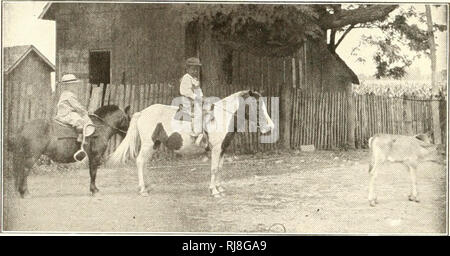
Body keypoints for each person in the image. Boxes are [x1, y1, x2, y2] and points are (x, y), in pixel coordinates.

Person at [54, 74, 95, 142]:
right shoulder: (69, 95)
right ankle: (80, 137)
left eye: (74, 84)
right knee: (79, 120)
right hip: (65, 114)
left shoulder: (65, 93)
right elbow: (77, 107)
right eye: (72, 85)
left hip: (63, 113)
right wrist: (85, 112)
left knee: (76, 116)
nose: (74, 86)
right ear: (67, 86)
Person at [179, 57, 205, 146]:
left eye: (196, 69)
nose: (195, 71)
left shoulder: (195, 79)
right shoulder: (186, 78)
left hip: (196, 100)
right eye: (193, 69)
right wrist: (195, 97)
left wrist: (201, 97)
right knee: (196, 113)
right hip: (187, 99)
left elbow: (198, 90)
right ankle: (194, 133)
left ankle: (202, 132)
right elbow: (185, 91)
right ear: (187, 69)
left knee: (203, 111)